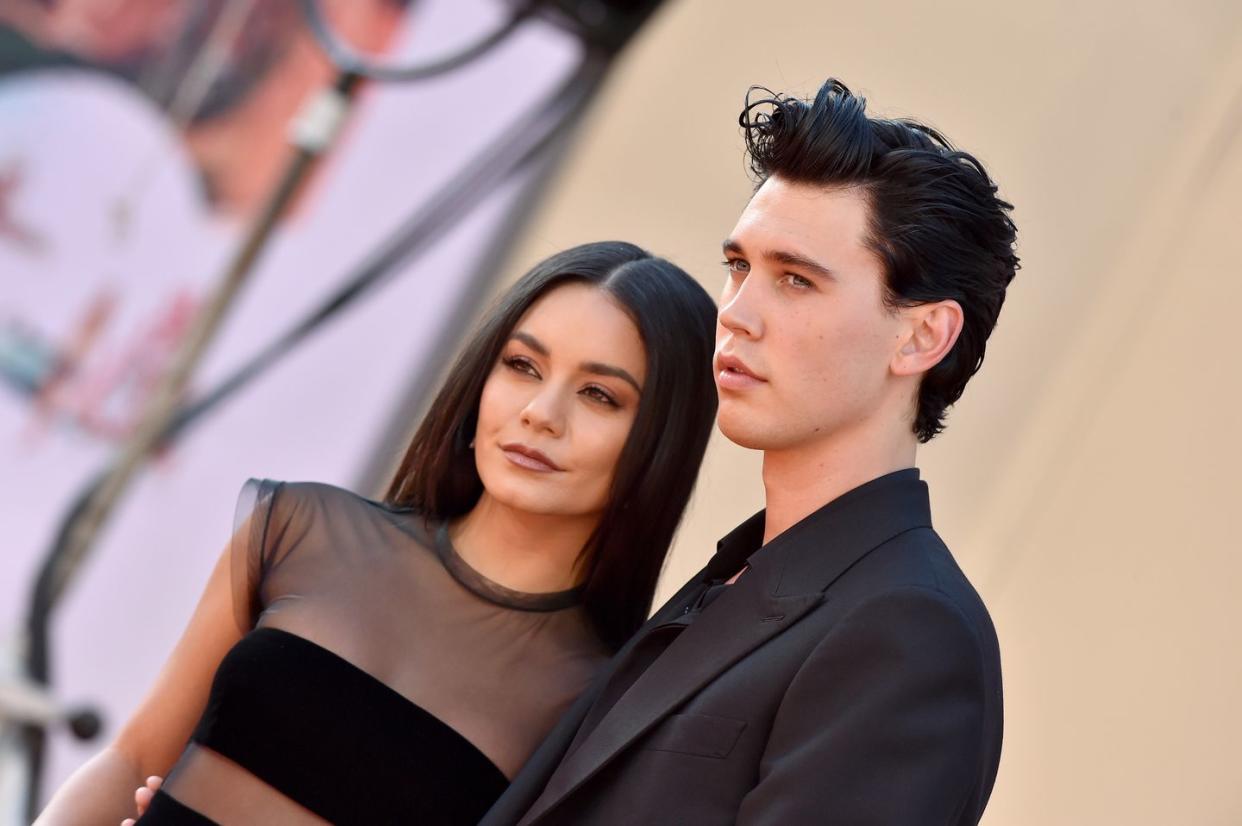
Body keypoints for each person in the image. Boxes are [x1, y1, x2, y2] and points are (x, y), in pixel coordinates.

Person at [473, 78, 1017, 825]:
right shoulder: (738, 577)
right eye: (738, 267)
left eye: (795, 280)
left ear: (922, 336)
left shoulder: (910, 633)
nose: (736, 314)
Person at [33, 240, 719, 825]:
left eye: (600, 395)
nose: (542, 413)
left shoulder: (598, 702)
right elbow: (134, 756)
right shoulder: (298, 533)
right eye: (522, 366)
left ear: (659, 443)